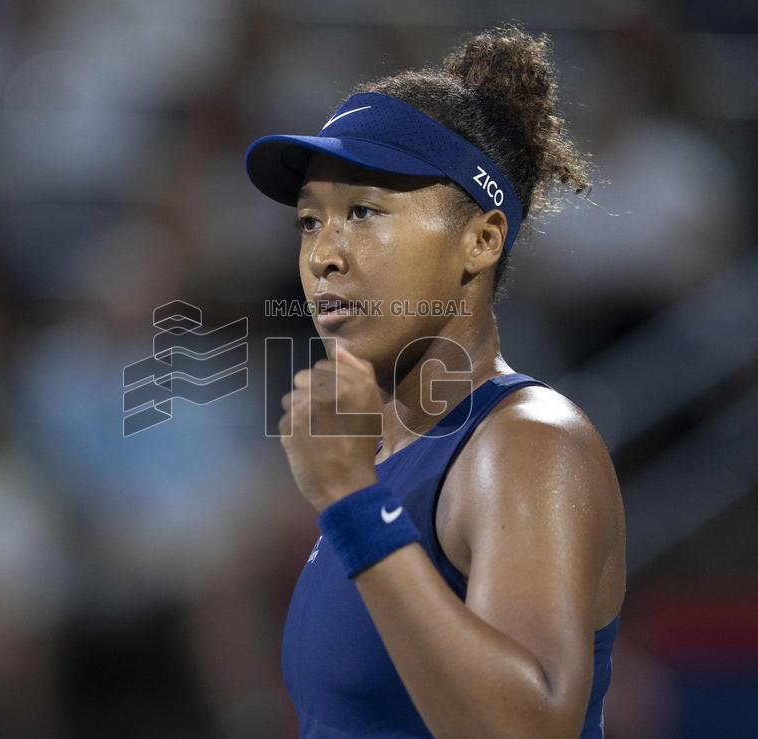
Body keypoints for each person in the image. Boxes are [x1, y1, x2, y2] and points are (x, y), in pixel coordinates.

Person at [244, 26, 626, 739]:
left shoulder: (530, 442)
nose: (323, 254)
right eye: (309, 221)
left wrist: (352, 500)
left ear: (481, 240)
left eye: (363, 211)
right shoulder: (383, 459)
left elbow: (531, 729)